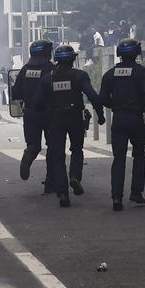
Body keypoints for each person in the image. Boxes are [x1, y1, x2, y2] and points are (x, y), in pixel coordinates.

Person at [99, 38, 145, 211]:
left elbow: (102, 98)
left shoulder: (110, 74)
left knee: (118, 158)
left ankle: (116, 197)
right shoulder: (141, 72)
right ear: (137, 53)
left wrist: (116, 106)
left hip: (118, 119)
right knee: (139, 155)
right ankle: (136, 192)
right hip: (137, 119)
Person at [43, 45, 104, 206]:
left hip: (55, 120)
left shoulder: (48, 78)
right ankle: (75, 176)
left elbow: (37, 102)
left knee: (57, 156)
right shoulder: (79, 75)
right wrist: (101, 114)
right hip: (75, 118)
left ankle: (62, 192)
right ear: (72, 59)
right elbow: (93, 96)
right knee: (77, 149)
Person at [12, 39, 54, 188]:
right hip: (49, 113)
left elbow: (15, 92)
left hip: (30, 113)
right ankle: (51, 181)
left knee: (33, 145)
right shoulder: (50, 68)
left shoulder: (25, 69)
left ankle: (29, 154)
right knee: (53, 147)